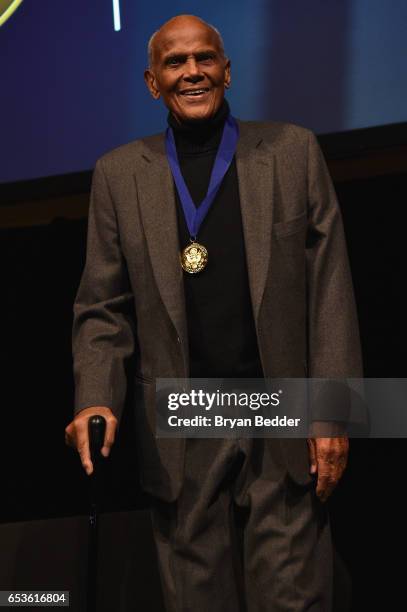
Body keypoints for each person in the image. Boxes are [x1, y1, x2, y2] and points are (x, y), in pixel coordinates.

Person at [65, 14, 362, 611]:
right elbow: (103, 307)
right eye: (175, 63)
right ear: (153, 82)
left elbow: (331, 291)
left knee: (294, 599)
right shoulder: (119, 175)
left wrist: (333, 413)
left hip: (280, 413)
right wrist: (95, 395)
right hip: (181, 419)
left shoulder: (292, 151)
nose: (192, 72)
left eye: (205, 59)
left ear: (227, 71)